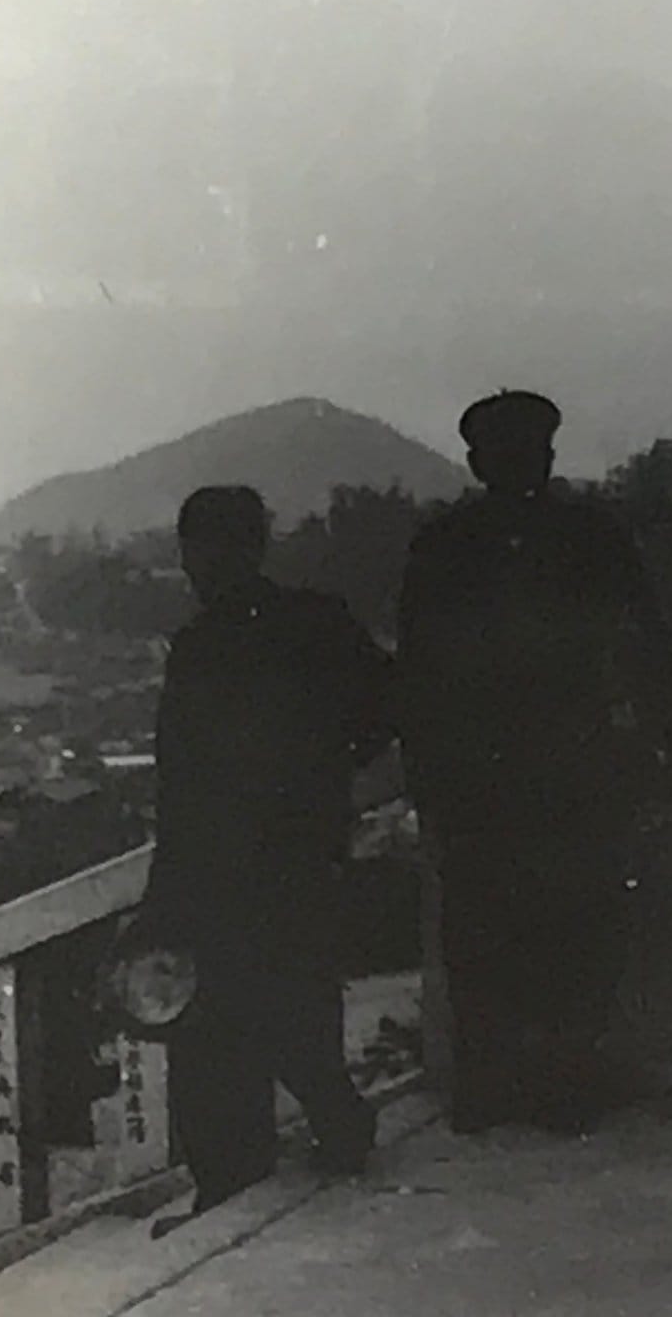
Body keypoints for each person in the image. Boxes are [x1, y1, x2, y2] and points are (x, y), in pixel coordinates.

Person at [395, 391, 672, 1135]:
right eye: (516, 449)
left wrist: (665, 734)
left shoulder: (561, 537)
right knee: (509, 932)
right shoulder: (474, 544)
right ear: (481, 460)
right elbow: (420, 672)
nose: (531, 461)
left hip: (548, 771)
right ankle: (504, 1087)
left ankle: (535, 1086)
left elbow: (644, 644)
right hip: (517, 773)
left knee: (562, 929)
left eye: (534, 448)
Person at [142, 486, 391, 1223]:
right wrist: (327, 778)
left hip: (238, 856)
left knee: (233, 1021)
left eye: (211, 547)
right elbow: (381, 706)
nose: (203, 564)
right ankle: (317, 1134)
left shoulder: (217, 642)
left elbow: (179, 775)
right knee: (283, 1004)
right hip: (282, 850)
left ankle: (244, 1174)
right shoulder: (306, 623)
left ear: (244, 548)